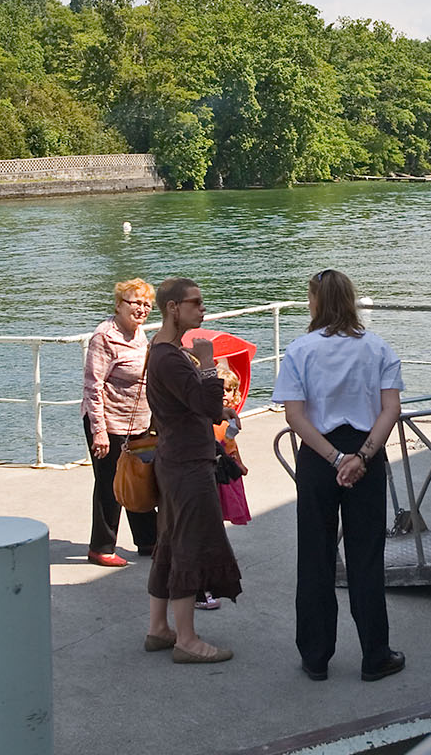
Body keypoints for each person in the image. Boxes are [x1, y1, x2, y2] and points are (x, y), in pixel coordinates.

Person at [276, 269, 407, 683]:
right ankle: (375, 654)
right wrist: (362, 457)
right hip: (365, 452)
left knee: (315, 555)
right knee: (366, 556)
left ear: (315, 302)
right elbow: (390, 409)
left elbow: (295, 416)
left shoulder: (300, 350)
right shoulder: (377, 348)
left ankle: (316, 656)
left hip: (319, 456)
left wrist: (334, 458)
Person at [143, 277, 243, 665]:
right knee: (187, 544)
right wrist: (208, 363)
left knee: (170, 540)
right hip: (187, 463)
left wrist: (218, 408)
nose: (203, 309)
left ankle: (159, 627)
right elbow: (204, 403)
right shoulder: (170, 357)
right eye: (195, 303)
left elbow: (191, 404)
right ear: (173, 308)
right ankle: (186, 639)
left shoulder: (163, 351)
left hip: (176, 457)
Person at [81, 278, 159, 567]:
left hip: (138, 421)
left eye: (147, 304)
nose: (142, 309)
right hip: (109, 422)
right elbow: (92, 386)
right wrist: (99, 431)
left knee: (140, 479)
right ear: (118, 304)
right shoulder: (104, 336)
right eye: (136, 302)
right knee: (110, 485)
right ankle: (101, 547)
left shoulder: (139, 334)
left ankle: (148, 540)